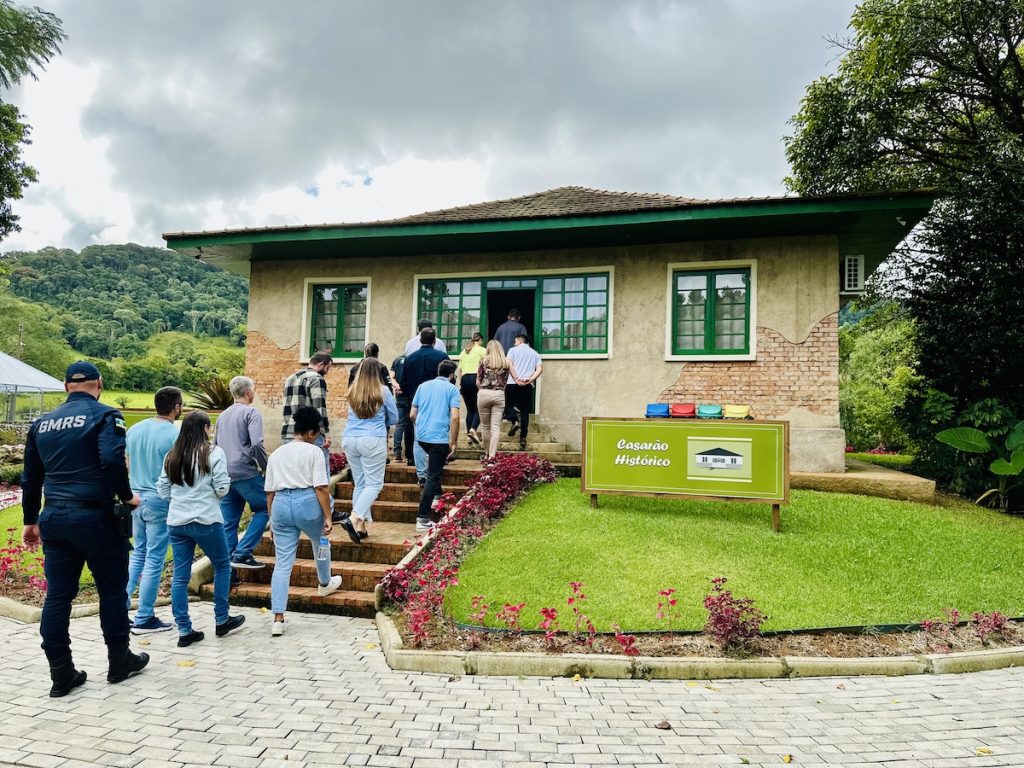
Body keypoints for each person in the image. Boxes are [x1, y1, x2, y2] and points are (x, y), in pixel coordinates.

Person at [21, 361, 147, 698]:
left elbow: (30, 478)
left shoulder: (41, 423)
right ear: (99, 384)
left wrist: (30, 520)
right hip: (97, 517)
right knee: (111, 591)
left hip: (54, 518)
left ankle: (61, 672)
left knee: (58, 596)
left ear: (66, 387)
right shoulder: (106, 415)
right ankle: (119, 661)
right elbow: (111, 459)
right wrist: (127, 496)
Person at [158, 411, 245, 647]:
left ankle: (184, 630)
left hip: (177, 521)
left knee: (180, 575)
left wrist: (179, 501)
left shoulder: (172, 455)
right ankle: (222, 618)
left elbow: (162, 488)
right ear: (205, 428)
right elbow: (222, 487)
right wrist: (211, 496)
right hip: (206, 519)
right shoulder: (213, 452)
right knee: (222, 565)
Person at [266, 406, 343, 636]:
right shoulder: (314, 452)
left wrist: (272, 520)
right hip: (308, 503)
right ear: (310, 433)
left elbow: (269, 491)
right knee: (321, 542)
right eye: (317, 434)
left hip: (280, 505)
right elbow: (321, 487)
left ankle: (278, 618)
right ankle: (324, 582)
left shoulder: (277, 453)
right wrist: (328, 516)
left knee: (282, 563)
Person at [124, 386, 183, 635]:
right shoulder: (175, 434)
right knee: (154, 559)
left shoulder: (135, 429)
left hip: (135, 497)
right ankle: (144, 616)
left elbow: (126, 462)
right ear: (176, 407)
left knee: (138, 553)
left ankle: (120, 608)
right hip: (159, 499)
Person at [214, 376, 269, 571]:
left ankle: (228, 569)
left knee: (228, 522)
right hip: (245, 471)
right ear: (248, 392)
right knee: (266, 507)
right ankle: (243, 552)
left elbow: (215, 445)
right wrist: (266, 466)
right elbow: (256, 444)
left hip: (225, 473)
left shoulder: (222, 416)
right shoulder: (252, 413)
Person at [342, 358, 398, 540]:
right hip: (372, 438)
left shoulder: (353, 390)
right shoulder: (383, 391)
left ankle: (361, 528)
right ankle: (355, 517)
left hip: (350, 438)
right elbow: (394, 418)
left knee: (360, 483)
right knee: (374, 484)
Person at [281, 352, 336, 518]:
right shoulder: (316, 379)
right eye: (328, 368)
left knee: (294, 475)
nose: (327, 372)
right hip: (310, 434)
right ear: (321, 365)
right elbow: (320, 409)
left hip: (289, 432)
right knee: (320, 472)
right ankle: (328, 511)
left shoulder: (290, 378)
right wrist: (324, 433)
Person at [410, 359, 461, 532]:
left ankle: (437, 495)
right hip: (438, 438)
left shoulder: (422, 386)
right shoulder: (452, 389)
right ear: (451, 374)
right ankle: (423, 518)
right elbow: (455, 418)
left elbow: (412, 414)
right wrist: (454, 442)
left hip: (422, 437)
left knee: (434, 469)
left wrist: (422, 427)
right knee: (432, 476)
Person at [398, 328, 449, 484]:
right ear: (434, 341)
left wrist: (410, 396)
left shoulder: (410, 358)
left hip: (416, 400)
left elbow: (403, 382)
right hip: (438, 400)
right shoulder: (441, 357)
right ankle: (436, 466)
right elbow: (449, 379)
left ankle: (418, 468)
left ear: (420, 340)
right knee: (438, 433)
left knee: (417, 435)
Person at [505, 333, 543, 450]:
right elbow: (540, 369)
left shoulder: (512, 350)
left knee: (507, 405)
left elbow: (508, 364)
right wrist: (530, 379)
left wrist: (516, 378)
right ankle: (523, 437)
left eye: (515, 341)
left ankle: (514, 421)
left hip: (512, 383)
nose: (514, 343)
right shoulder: (534, 353)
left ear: (520, 341)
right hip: (527, 384)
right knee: (524, 411)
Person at [476, 341, 512, 458]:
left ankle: (486, 454)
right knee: (495, 427)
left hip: (484, 393)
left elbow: (478, 381)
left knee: (485, 427)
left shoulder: (483, 360)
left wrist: (482, 390)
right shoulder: (506, 362)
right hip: (499, 394)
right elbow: (515, 377)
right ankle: (492, 457)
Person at [456, 332, 486, 447]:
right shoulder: (482, 350)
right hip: (475, 378)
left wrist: (461, 383)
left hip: (464, 380)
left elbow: (460, 370)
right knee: (480, 408)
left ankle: (469, 435)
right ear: (480, 340)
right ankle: (473, 429)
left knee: (470, 410)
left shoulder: (464, 351)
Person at [390, 353, 414, 466]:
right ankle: (410, 454)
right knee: (412, 424)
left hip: (400, 396)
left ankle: (397, 454)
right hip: (411, 396)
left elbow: (391, 377)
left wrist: (396, 386)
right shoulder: (413, 360)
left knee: (400, 424)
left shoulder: (397, 360)